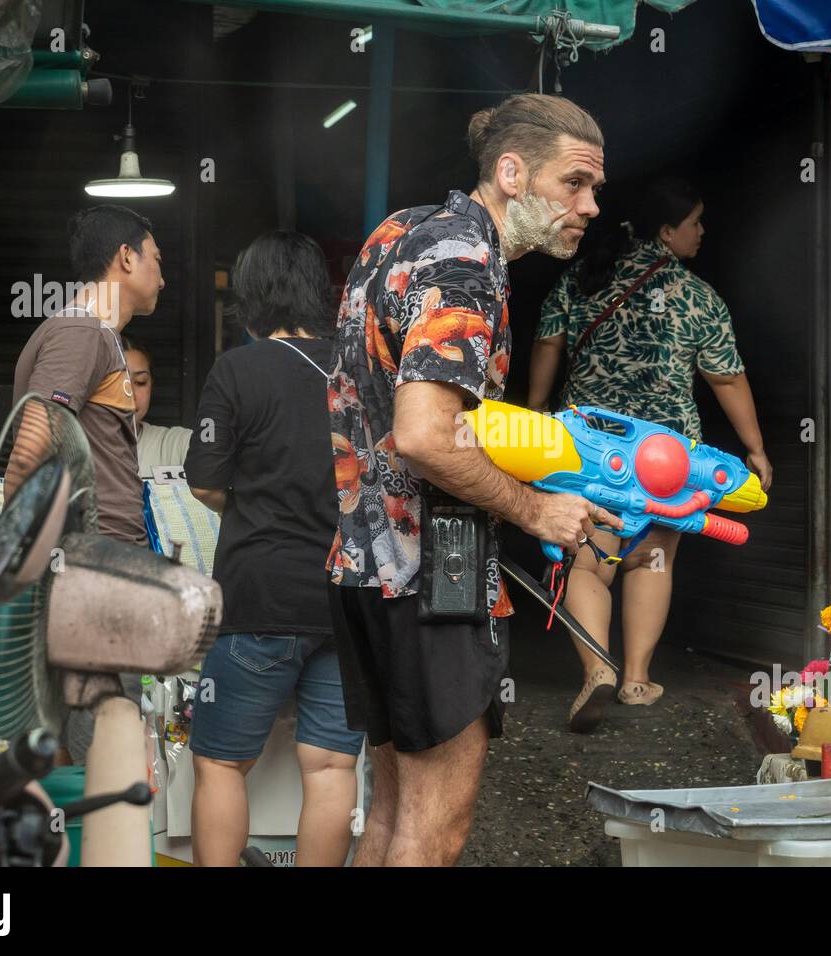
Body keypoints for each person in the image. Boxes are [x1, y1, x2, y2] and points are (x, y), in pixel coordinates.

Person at [326, 93, 623, 867]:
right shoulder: (466, 259)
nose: (591, 206)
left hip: (364, 565)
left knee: (389, 816)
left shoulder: (403, 231)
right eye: (576, 184)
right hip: (436, 575)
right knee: (435, 829)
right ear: (512, 171)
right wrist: (536, 512)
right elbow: (425, 434)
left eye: (594, 189)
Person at [527, 177, 773, 733]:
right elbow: (727, 380)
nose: (703, 232)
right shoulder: (697, 295)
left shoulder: (582, 277)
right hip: (666, 460)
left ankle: (598, 668)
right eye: (696, 222)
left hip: (586, 448)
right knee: (651, 559)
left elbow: (547, 343)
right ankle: (638, 678)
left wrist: (537, 408)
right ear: (667, 231)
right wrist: (755, 449)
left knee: (588, 560)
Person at [186, 230, 363, 867]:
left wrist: (256, 508)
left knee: (221, 762)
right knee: (330, 767)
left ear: (251, 297)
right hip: (348, 597)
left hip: (259, 595)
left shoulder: (237, 369)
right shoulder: (359, 367)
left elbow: (205, 477)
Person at [7, 204, 164, 544]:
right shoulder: (82, 331)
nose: (162, 279)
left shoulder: (96, 334)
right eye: (156, 259)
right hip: (93, 558)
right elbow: (28, 455)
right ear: (126, 257)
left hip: (104, 555)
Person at [120, 336, 192, 477]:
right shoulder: (73, 447)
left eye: (140, 382)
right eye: (117, 382)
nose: (130, 394)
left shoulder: (174, 445)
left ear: (152, 384)